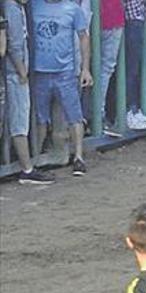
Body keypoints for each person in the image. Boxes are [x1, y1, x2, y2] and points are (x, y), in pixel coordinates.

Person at [31, 0, 93, 176]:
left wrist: (85, 69)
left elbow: (84, 36)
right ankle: (35, 158)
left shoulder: (72, 9)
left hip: (64, 72)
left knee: (74, 116)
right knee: (40, 118)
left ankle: (79, 157)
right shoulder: (34, 5)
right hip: (40, 72)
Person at [6, 0, 55, 184]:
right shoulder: (12, 8)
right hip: (16, 73)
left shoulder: (18, 7)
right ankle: (27, 169)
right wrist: (21, 70)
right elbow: (14, 44)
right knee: (19, 121)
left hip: (17, 71)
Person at [123, 0, 146, 130]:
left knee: (135, 69)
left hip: (139, 16)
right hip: (131, 19)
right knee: (131, 69)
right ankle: (130, 112)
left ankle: (135, 110)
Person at [97, 0, 126, 136]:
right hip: (111, 16)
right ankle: (98, 116)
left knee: (86, 69)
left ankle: (91, 117)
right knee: (105, 68)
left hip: (91, 16)